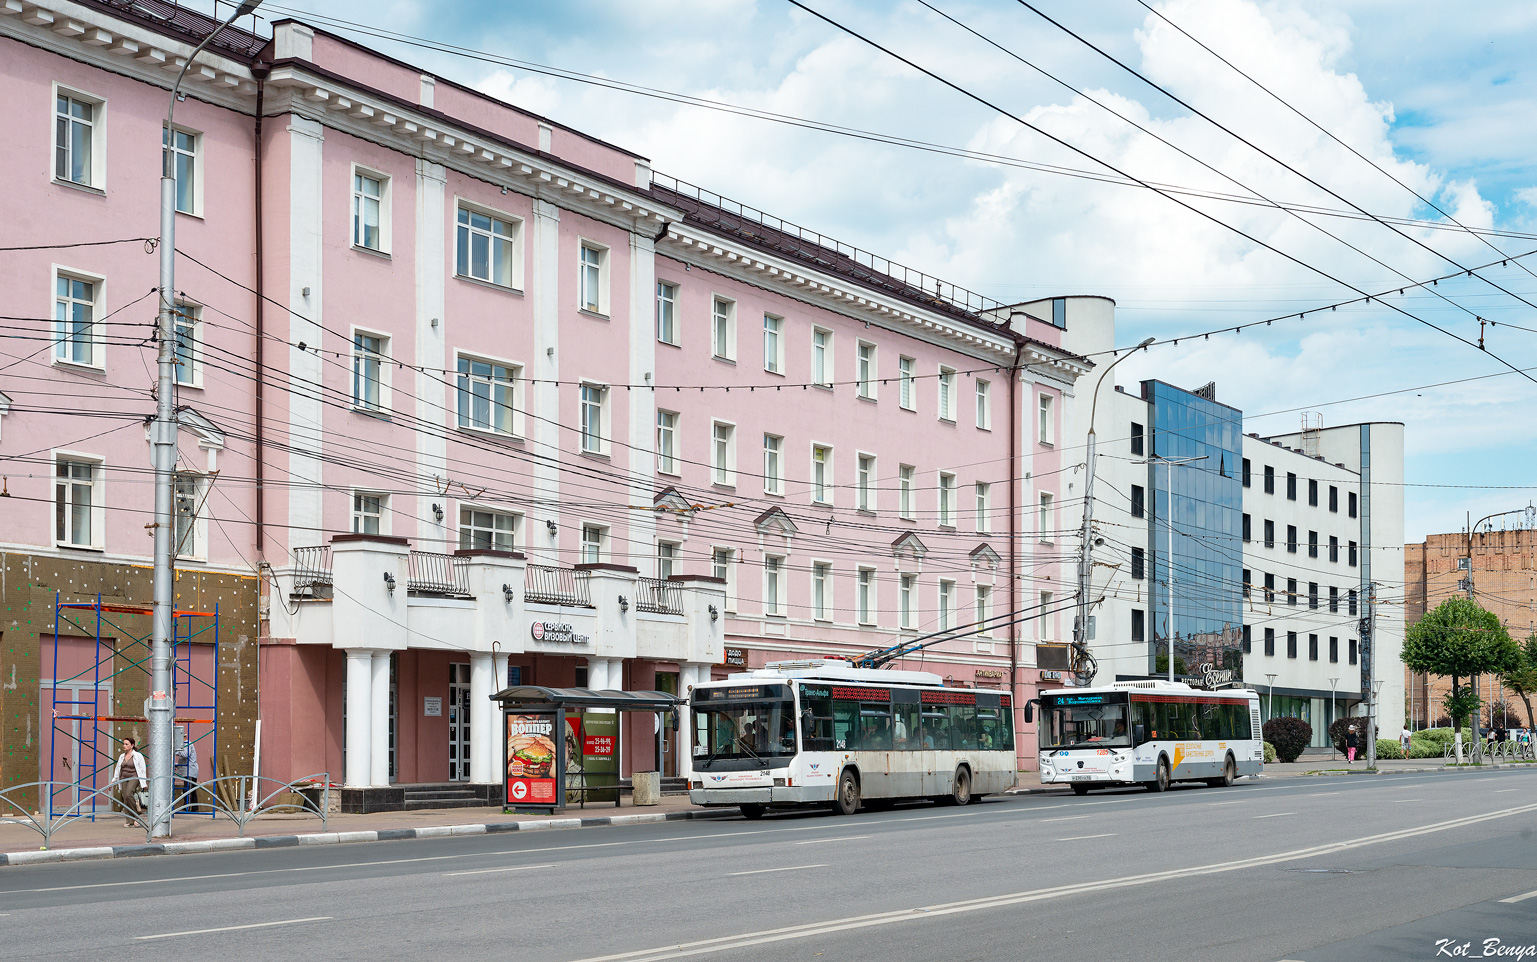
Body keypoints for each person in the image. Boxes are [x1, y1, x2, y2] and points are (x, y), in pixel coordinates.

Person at [112, 736, 148, 827]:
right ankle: (129, 820)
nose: (124, 746)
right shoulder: (121, 756)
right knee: (125, 798)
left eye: (126, 744)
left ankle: (137, 816)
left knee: (128, 794)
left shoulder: (137, 755)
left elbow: (142, 769)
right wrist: (113, 781)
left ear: (132, 745)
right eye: (124, 744)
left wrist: (144, 782)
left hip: (134, 777)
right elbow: (117, 769)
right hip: (123, 778)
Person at [173, 728, 200, 812]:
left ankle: (191, 808)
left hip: (191, 771)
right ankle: (189, 807)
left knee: (189, 789)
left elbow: (185, 754)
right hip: (188, 771)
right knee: (187, 789)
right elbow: (183, 759)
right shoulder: (184, 745)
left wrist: (175, 751)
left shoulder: (187, 744)